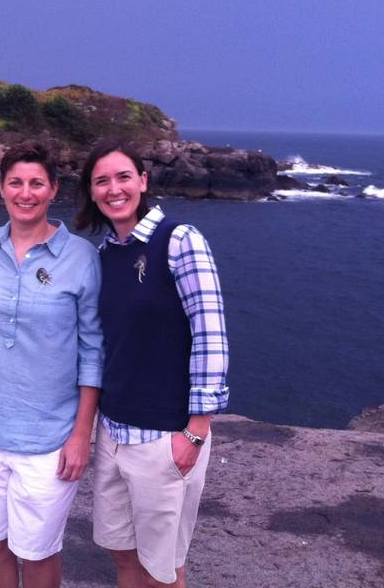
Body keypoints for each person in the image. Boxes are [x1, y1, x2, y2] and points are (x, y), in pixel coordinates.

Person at [75, 141, 229, 588]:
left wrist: (195, 431)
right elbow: (106, 342)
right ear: (91, 190)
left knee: (164, 571)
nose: (113, 188)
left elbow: (211, 334)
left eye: (123, 177)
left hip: (165, 435)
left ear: (142, 181)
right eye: (101, 180)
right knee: (122, 553)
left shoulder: (180, 241)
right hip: (114, 431)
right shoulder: (106, 254)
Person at [0, 140, 103, 588]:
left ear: (53, 190)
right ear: (1, 189)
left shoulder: (81, 257)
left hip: (50, 439)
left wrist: (82, 434)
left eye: (36, 183)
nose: (26, 193)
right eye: (16, 183)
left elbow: (93, 350)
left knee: (38, 553)